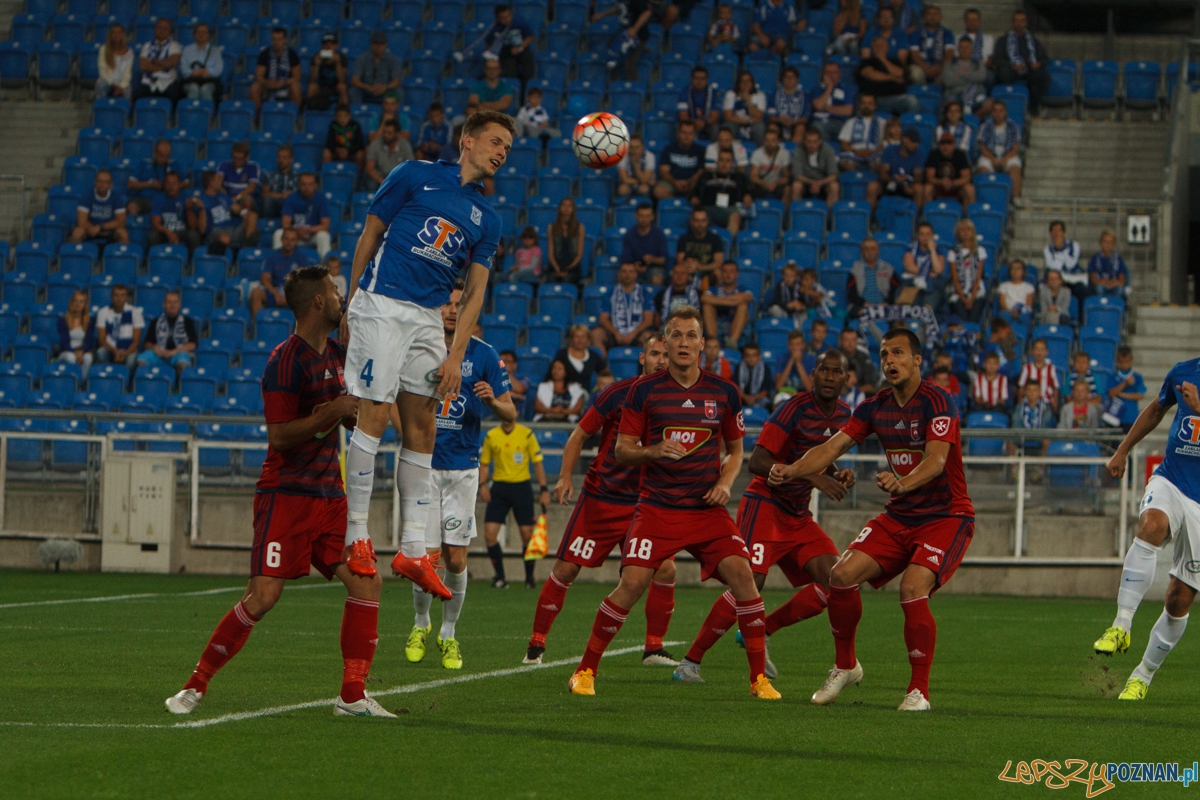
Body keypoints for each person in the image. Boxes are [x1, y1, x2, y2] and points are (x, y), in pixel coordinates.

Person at [164, 266, 392, 718]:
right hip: (285, 496)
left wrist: (348, 415)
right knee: (263, 597)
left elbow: (340, 412)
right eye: (333, 290)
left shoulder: (338, 353)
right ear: (318, 303)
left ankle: (352, 695)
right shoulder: (284, 362)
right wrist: (331, 412)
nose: (340, 295)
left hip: (330, 496)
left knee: (368, 581)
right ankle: (195, 684)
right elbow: (281, 437)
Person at [567, 306, 780, 700]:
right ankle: (585, 670)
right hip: (657, 508)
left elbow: (736, 451)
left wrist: (726, 481)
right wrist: (652, 450)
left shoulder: (724, 393)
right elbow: (622, 451)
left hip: (706, 510)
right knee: (630, 585)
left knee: (745, 578)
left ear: (703, 344)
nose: (683, 342)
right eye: (676, 336)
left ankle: (758, 681)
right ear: (665, 343)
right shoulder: (643, 391)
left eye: (691, 335)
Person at [341, 110, 513, 587]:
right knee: (374, 413)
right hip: (383, 304)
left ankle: (413, 548)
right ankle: (356, 535)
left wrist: (456, 353)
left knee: (423, 428)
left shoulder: (489, 218)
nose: (501, 153)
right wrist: (351, 303)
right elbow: (371, 233)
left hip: (427, 318)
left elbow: (475, 292)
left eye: (507, 149)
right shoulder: (414, 174)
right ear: (467, 141)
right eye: (496, 142)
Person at [770, 328, 973, 710]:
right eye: (884, 355)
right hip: (900, 515)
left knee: (912, 589)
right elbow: (832, 447)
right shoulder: (874, 406)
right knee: (841, 576)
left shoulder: (938, 401)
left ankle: (919, 692)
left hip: (946, 516)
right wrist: (793, 470)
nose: (889, 361)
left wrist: (902, 482)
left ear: (917, 360)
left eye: (898, 353)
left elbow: (936, 462)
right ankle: (845, 665)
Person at [676, 350, 855, 682]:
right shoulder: (793, 408)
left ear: (847, 379)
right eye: (824, 371)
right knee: (751, 581)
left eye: (837, 372)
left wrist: (836, 472)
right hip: (766, 506)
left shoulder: (846, 414)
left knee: (837, 581)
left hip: (797, 513)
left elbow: (818, 455)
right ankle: (690, 662)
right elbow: (758, 461)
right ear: (813, 375)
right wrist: (814, 477)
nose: (830, 377)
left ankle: (767, 627)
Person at [533, 335, 679, 663]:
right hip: (602, 498)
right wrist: (565, 477)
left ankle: (653, 647)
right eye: (655, 353)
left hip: (644, 504)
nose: (661, 360)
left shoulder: (676, 403)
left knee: (666, 570)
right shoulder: (616, 393)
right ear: (642, 358)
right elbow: (580, 434)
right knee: (567, 569)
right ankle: (536, 643)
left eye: (666, 356)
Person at [398, 280, 515, 670]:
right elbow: (396, 396)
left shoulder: (482, 355)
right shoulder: (420, 348)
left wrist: (493, 402)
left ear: (469, 309)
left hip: (462, 472)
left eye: (458, 304)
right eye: (446, 303)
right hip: (425, 467)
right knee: (424, 557)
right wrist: (408, 433)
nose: (451, 310)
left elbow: (511, 413)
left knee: (457, 558)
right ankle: (420, 624)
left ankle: (449, 633)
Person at [1094, 359, 1200, 701]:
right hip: (1173, 479)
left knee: (1179, 598)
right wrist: (1122, 450)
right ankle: (1121, 625)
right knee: (1151, 525)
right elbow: (1156, 410)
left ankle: (1142, 676)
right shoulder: (1183, 372)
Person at [479, 416, 549, 588]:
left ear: (515, 412)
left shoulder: (526, 434)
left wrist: (544, 490)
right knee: (489, 535)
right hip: (499, 488)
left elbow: (538, 463)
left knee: (526, 535)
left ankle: (529, 578)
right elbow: (485, 463)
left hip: (521, 488)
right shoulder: (491, 435)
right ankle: (501, 577)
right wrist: (482, 485)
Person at [993, 10, 1050, 114]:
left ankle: (1032, 107)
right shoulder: (1003, 40)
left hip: (1029, 71)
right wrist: (1012, 66)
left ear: (1026, 23)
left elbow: (1045, 59)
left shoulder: (1034, 41)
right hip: (1011, 71)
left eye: (1022, 21)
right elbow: (997, 59)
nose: (1019, 23)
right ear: (1012, 22)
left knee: (1043, 77)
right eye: (1016, 21)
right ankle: (1007, 105)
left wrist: (1038, 64)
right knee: (1002, 73)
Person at [594, 262, 657, 352]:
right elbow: (603, 319)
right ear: (619, 274)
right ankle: (602, 365)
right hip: (615, 333)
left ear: (636, 274)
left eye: (631, 271)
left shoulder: (644, 293)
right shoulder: (610, 293)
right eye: (624, 271)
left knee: (649, 338)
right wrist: (616, 333)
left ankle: (647, 365)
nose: (627, 274)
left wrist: (632, 334)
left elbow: (648, 320)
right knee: (597, 334)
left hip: (637, 333)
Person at [253, 227, 317, 314]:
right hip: (276, 291)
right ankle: (260, 325)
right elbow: (265, 279)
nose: (289, 243)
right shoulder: (272, 256)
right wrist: (276, 294)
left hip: (294, 293)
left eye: (292, 240)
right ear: (281, 239)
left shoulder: (302, 258)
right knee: (256, 293)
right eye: (286, 239)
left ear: (297, 241)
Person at [189, 170, 251, 256]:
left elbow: (236, 208)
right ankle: (232, 262)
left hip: (231, 228)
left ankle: (246, 250)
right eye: (218, 179)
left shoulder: (223, 196)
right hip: (215, 231)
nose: (221, 181)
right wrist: (202, 210)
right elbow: (202, 229)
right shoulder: (202, 200)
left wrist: (244, 212)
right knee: (225, 239)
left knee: (252, 216)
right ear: (211, 183)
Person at [136, 289, 197, 376]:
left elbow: (192, 344)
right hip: (159, 354)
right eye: (169, 302)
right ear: (164, 304)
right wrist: (156, 348)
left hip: (178, 353)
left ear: (179, 304)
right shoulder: (155, 321)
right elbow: (147, 344)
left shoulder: (188, 322)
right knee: (142, 359)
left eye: (175, 302)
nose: (172, 305)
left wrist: (174, 351)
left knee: (183, 362)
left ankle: (178, 386)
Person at [692, 149, 752, 237]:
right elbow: (694, 191)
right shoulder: (707, 176)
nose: (724, 164)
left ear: (732, 163)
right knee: (697, 216)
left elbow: (749, 190)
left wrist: (748, 195)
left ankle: (727, 245)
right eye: (721, 160)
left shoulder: (739, 178)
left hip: (729, 209)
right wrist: (693, 197)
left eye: (728, 161)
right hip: (708, 209)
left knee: (735, 216)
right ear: (717, 162)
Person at [856, 37, 920, 117]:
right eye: (876, 46)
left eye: (881, 46)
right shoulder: (867, 62)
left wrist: (883, 59)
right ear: (872, 48)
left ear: (887, 48)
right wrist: (892, 77)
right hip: (875, 98)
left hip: (896, 97)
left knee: (912, 101)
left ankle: (909, 128)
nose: (879, 48)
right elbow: (870, 74)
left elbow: (900, 73)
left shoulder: (895, 61)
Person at [274, 172, 332, 256]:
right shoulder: (292, 198)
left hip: (312, 235)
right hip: (295, 236)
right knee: (278, 233)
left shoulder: (321, 199)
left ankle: (324, 267)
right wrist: (297, 231)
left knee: (324, 236)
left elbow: (325, 226)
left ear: (315, 185)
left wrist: (307, 230)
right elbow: (285, 224)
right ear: (299, 185)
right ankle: (278, 263)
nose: (307, 187)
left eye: (310, 184)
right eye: (303, 184)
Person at [702, 260, 754, 347]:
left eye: (731, 271)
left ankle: (732, 341)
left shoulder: (743, 289)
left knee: (743, 306)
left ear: (737, 274)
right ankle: (713, 342)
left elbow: (748, 297)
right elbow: (704, 298)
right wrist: (733, 302)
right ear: (721, 274)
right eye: (725, 271)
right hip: (718, 325)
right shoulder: (713, 289)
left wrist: (717, 300)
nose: (728, 274)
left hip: (736, 326)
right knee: (707, 306)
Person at [976, 100, 1022, 198]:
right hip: (990, 156)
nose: (998, 114)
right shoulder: (985, 126)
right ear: (992, 112)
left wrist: (1005, 159)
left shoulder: (1013, 126)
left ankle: (1016, 198)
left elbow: (1015, 147)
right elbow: (983, 147)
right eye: (995, 111)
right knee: (983, 169)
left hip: (1008, 156)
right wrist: (993, 159)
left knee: (1015, 169)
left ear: (1005, 112)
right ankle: (986, 197)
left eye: (1001, 111)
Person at [70, 169, 128, 244]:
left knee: (123, 234)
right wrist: (94, 229)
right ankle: (75, 255)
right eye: (99, 181)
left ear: (111, 185)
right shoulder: (86, 196)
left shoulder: (116, 197)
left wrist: (101, 227)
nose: (102, 184)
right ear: (95, 182)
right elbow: (82, 221)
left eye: (105, 182)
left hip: (108, 231)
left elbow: (121, 221)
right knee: (77, 233)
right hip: (90, 230)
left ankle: (122, 255)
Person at [847, 236, 899, 319]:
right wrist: (863, 303)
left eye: (872, 248)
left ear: (877, 251)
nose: (869, 252)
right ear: (862, 251)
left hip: (884, 305)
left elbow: (896, 289)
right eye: (866, 249)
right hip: (862, 305)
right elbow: (851, 294)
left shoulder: (888, 269)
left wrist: (887, 302)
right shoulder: (855, 271)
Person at [133, 18, 182, 106]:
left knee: (175, 94)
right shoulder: (147, 46)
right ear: (155, 29)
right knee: (137, 95)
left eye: (165, 28)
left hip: (168, 81)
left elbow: (172, 62)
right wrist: (164, 64)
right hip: (148, 81)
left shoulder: (175, 46)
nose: (162, 31)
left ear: (169, 31)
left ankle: (171, 118)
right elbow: (143, 66)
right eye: (159, 27)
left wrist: (153, 62)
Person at [947, 218, 988, 323]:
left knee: (973, 320)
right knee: (963, 319)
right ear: (958, 233)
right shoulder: (953, 252)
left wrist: (972, 297)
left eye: (968, 229)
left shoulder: (980, 251)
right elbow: (955, 278)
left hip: (976, 291)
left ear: (973, 232)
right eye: (962, 230)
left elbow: (979, 276)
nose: (965, 232)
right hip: (959, 292)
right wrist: (964, 298)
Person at [250, 27, 301, 111]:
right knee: (255, 87)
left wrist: (282, 83)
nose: (276, 42)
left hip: (285, 84)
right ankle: (258, 117)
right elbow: (259, 76)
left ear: (285, 40)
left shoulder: (292, 55)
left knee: (295, 87)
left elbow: (297, 77)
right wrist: (267, 83)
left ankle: (295, 115)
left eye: (279, 39)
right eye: (274, 39)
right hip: (268, 85)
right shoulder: (264, 54)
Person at [95, 284, 143, 369]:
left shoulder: (135, 312)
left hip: (128, 349)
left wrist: (125, 353)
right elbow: (102, 340)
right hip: (110, 349)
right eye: (116, 295)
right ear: (111, 297)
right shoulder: (102, 312)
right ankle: (107, 374)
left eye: (122, 295)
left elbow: (136, 341)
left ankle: (126, 380)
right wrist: (115, 351)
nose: (119, 298)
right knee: (100, 352)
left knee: (132, 359)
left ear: (127, 297)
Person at [149, 171, 200, 252]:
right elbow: (155, 223)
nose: (171, 186)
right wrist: (168, 232)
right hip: (165, 231)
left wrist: (189, 210)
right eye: (168, 183)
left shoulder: (186, 198)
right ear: (164, 185)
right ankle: (154, 260)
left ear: (179, 185)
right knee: (153, 236)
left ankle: (191, 263)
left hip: (182, 231)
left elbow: (193, 227)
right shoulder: (158, 199)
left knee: (193, 235)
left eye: (174, 183)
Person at [655, 120, 706, 201]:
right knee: (659, 191)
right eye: (684, 132)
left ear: (694, 135)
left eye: (690, 133)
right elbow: (663, 171)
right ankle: (676, 204)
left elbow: (700, 171)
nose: (687, 136)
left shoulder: (700, 151)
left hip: (692, 184)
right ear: (678, 133)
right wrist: (675, 182)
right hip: (671, 182)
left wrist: (690, 181)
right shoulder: (669, 149)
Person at [618, 203, 668, 284]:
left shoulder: (659, 234)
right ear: (636, 216)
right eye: (641, 216)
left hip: (654, 268)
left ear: (652, 217)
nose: (644, 219)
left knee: (657, 279)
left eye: (647, 216)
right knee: (622, 276)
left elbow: (664, 260)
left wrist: (652, 259)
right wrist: (634, 266)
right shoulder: (629, 235)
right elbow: (626, 259)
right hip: (634, 269)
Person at [923, 132, 975, 209]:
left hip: (956, 187)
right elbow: (929, 177)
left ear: (954, 145)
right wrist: (941, 182)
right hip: (939, 186)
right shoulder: (934, 154)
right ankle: (929, 216)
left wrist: (953, 183)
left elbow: (967, 177)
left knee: (969, 189)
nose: (946, 146)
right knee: (927, 188)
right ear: (939, 145)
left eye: (949, 143)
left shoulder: (960, 155)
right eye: (943, 143)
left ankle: (966, 218)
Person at [875, 127, 925, 207]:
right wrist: (894, 179)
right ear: (905, 140)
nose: (915, 145)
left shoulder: (918, 154)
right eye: (913, 142)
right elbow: (883, 174)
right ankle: (872, 216)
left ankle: (915, 217)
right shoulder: (890, 150)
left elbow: (918, 177)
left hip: (908, 186)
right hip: (890, 184)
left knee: (918, 189)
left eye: (917, 142)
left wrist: (907, 185)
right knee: (873, 186)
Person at [217, 142, 261, 232]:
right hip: (228, 198)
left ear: (246, 157)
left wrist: (237, 197)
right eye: (234, 158)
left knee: (247, 201)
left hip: (243, 197)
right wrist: (225, 195)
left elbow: (251, 187)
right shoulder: (224, 165)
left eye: (239, 159)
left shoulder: (253, 167)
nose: (236, 161)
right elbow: (217, 184)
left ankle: (245, 230)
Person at [902, 221, 946, 310]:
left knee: (931, 296)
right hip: (913, 283)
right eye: (922, 234)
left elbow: (938, 270)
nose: (925, 237)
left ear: (932, 235)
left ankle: (927, 314)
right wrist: (927, 272)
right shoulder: (911, 248)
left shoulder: (938, 250)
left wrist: (932, 251)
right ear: (917, 235)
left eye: (928, 234)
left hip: (932, 284)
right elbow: (909, 267)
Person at [838, 95, 888, 172]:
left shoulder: (883, 123)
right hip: (855, 153)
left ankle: (870, 178)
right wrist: (857, 152)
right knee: (844, 162)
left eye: (870, 103)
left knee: (882, 162)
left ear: (875, 106)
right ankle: (857, 177)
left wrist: (871, 151)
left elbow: (886, 143)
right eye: (863, 103)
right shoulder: (851, 122)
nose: (866, 106)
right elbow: (844, 144)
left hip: (874, 153)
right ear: (860, 105)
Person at [351, 30, 402, 105]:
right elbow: (354, 80)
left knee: (398, 91)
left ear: (385, 45)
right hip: (367, 89)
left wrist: (385, 87)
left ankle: (396, 115)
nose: (378, 46)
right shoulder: (362, 58)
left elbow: (397, 81)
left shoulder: (393, 59)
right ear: (371, 44)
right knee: (353, 91)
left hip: (385, 89)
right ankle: (357, 112)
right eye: (375, 43)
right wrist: (368, 87)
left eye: (381, 44)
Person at [942, 36, 990, 115]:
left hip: (976, 94)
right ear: (958, 49)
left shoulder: (979, 63)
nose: (964, 49)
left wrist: (960, 74)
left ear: (972, 49)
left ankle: (973, 120)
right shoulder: (949, 64)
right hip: (955, 94)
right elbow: (948, 81)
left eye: (967, 47)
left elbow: (981, 77)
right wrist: (972, 77)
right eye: (962, 47)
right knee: (949, 103)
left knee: (989, 104)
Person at [907, 4, 955, 84]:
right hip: (922, 67)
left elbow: (949, 54)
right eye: (929, 14)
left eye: (935, 14)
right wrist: (925, 68)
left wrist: (939, 68)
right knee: (913, 71)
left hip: (940, 67)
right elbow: (914, 54)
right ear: (925, 16)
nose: (932, 17)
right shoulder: (916, 32)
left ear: (940, 16)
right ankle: (921, 93)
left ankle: (938, 95)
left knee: (948, 71)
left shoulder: (947, 33)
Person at [675, 207, 724, 284]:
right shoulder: (684, 238)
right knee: (679, 271)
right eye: (697, 221)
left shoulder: (715, 239)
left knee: (718, 272)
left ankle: (717, 295)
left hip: (708, 271)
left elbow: (718, 262)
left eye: (703, 221)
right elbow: (679, 260)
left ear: (707, 222)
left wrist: (700, 267)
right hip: (689, 270)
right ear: (691, 221)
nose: (700, 224)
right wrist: (689, 265)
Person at [791, 126, 841, 203]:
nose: (811, 145)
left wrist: (819, 183)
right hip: (806, 182)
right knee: (796, 186)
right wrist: (812, 182)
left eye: (815, 142)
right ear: (804, 141)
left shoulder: (828, 150)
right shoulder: (798, 150)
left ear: (820, 141)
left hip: (824, 182)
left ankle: (830, 214)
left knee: (834, 186)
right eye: (809, 141)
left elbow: (833, 175)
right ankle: (797, 212)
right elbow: (797, 174)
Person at [1045, 219, 1088, 306]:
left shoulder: (1074, 245)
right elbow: (1054, 267)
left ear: (1064, 232)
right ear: (1050, 233)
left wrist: (1061, 250)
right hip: (1059, 280)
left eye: (1059, 230)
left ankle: (1080, 318)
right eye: (1053, 231)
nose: (1056, 233)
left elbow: (1070, 265)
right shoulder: (1047, 249)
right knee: (1046, 288)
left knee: (1081, 290)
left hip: (1074, 278)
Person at [1102, 347, 1145, 430]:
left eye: (1127, 361)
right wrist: (1124, 383)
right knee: (1115, 442)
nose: (1125, 365)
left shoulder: (1137, 377)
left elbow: (1140, 395)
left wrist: (1121, 394)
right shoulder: (1113, 376)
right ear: (1118, 361)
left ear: (1131, 360)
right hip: (1115, 416)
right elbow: (1111, 393)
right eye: (1122, 362)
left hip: (1131, 417)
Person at [810, 62, 855, 141]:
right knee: (816, 130)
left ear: (839, 74)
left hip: (839, 123)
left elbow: (848, 110)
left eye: (834, 72)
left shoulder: (845, 90)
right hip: (820, 122)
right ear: (824, 74)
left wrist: (826, 108)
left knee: (848, 131)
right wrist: (829, 88)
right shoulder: (817, 89)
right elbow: (818, 106)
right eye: (828, 73)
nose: (831, 75)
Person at [179, 22, 223, 102]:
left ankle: (208, 112)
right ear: (194, 34)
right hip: (191, 81)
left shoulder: (215, 51)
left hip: (210, 81)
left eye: (204, 32)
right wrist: (194, 73)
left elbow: (218, 69)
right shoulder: (187, 50)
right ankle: (191, 112)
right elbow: (184, 69)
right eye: (198, 32)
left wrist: (207, 72)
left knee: (205, 89)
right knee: (193, 88)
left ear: (208, 35)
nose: (201, 34)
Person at [56, 290, 96, 373]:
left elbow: (89, 341)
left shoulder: (90, 320)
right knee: (71, 358)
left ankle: (82, 382)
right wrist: (75, 352)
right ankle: (73, 380)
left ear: (85, 304)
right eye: (76, 301)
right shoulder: (63, 320)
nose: (78, 304)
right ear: (71, 302)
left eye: (81, 301)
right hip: (67, 351)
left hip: (84, 351)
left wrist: (82, 352)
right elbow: (65, 342)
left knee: (88, 358)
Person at [305, 32, 348, 111]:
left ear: (336, 46)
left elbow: (342, 80)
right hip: (321, 86)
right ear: (322, 46)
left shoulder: (341, 58)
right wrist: (317, 65)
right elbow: (312, 80)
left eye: (331, 44)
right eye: (326, 44)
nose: (328, 47)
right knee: (312, 87)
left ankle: (344, 112)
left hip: (335, 87)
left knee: (342, 87)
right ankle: (309, 113)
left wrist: (337, 63)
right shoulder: (316, 57)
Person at [547, 197, 585, 285]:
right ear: (560, 208)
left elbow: (579, 254)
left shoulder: (580, 227)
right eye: (564, 205)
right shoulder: (551, 227)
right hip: (555, 267)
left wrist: (567, 270)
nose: (566, 208)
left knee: (567, 280)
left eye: (569, 206)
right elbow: (551, 253)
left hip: (573, 268)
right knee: (551, 279)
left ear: (573, 209)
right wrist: (557, 268)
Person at [534, 359, 587, 423]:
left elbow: (577, 409)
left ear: (566, 371)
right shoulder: (543, 386)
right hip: (546, 419)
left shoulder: (576, 388)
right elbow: (538, 407)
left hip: (568, 421)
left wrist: (562, 411)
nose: (556, 371)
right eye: (554, 368)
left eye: (559, 368)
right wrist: (552, 410)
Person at [555, 324, 606, 390]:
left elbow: (605, 373)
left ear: (587, 339)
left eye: (583, 337)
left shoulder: (593, 356)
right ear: (571, 338)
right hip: (564, 393)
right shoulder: (562, 354)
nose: (580, 340)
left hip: (585, 395)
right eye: (577, 336)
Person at [676, 68, 721, 142]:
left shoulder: (714, 93)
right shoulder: (684, 92)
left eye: (702, 79)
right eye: (697, 78)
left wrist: (704, 122)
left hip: (707, 123)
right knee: (680, 127)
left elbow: (715, 116)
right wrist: (694, 122)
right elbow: (683, 115)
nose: (699, 81)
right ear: (692, 79)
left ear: (707, 80)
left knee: (715, 128)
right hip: (690, 122)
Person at [723, 70, 768, 144]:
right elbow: (728, 116)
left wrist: (748, 101)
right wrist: (747, 121)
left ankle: (760, 153)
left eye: (748, 81)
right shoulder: (731, 94)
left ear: (752, 82)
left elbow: (759, 116)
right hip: (736, 123)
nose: (745, 84)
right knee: (727, 126)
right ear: (738, 83)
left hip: (754, 124)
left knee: (760, 127)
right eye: (742, 81)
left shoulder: (760, 95)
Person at [749, 127, 791, 202]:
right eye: (767, 140)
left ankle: (784, 212)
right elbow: (753, 176)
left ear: (778, 142)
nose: (770, 143)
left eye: (773, 140)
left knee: (787, 189)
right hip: (762, 183)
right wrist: (765, 184)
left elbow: (787, 177)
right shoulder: (757, 153)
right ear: (763, 141)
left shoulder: (784, 154)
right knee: (752, 188)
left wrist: (776, 183)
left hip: (777, 183)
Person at [260, 145, 302, 220]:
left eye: (284, 158)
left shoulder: (298, 177)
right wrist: (282, 195)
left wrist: (291, 196)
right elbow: (265, 194)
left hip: (291, 206)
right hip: (274, 206)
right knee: (267, 200)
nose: (281, 160)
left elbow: (302, 195)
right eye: (279, 157)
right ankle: (267, 225)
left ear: (291, 159)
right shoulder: (269, 176)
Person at [769, 67, 807, 142]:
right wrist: (781, 120)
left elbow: (806, 118)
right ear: (783, 79)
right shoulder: (774, 95)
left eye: (792, 77)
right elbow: (771, 117)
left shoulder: (805, 96)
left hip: (796, 123)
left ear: (797, 79)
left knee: (800, 128)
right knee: (772, 127)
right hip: (779, 123)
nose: (789, 80)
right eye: (787, 77)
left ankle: (794, 152)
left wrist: (793, 121)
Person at [323, 103, 366, 170]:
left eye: (345, 116)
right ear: (335, 117)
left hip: (351, 151)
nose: (342, 119)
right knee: (326, 152)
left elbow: (360, 144)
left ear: (350, 116)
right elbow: (329, 142)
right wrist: (338, 150)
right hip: (337, 151)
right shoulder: (333, 125)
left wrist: (348, 150)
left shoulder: (355, 126)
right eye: (339, 116)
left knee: (360, 154)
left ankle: (358, 176)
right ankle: (327, 172)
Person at [1018, 338, 1059, 407]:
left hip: (1046, 402)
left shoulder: (1051, 368)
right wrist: (1019, 404)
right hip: (1029, 402)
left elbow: (1055, 389)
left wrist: (1055, 406)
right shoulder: (1027, 368)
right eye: (1037, 349)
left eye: (1042, 349)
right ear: (1032, 351)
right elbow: (1021, 388)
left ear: (1046, 352)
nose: (1039, 352)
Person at [96, 23, 133, 98]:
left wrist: (121, 86)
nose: (116, 35)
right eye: (114, 32)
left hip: (122, 83)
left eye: (119, 32)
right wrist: (114, 85)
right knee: (101, 85)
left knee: (128, 90)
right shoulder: (103, 49)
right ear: (110, 35)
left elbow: (127, 73)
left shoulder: (129, 52)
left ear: (123, 35)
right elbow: (103, 72)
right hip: (107, 81)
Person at [1088, 229, 1129, 297]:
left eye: (1110, 242)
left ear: (1114, 245)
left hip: (1114, 285)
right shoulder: (1095, 259)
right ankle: (1101, 306)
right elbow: (1094, 280)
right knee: (1099, 288)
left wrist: (1111, 283)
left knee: (1120, 289)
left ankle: (1114, 307)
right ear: (1100, 243)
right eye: (1105, 241)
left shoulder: (1118, 259)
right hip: (1100, 285)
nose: (1107, 244)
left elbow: (1122, 281)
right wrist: (1105, 282)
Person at [838, 327, 878, 394]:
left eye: (853, 340)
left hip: (860, 396)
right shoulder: (833, 357)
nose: (850, 343)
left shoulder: (864, 358)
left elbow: (871, 386)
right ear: (840, 341)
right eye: (847, 340)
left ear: (857, 342)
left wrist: (853, 394)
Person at [774, 329, 812, 397]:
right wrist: (791, 361)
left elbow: (809, 388)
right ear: (788, 346)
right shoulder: (781, 358)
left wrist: (798, 363)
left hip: (804, 395)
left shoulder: (811, 359)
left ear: (803, 345)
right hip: (786, 394)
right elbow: (778, 386)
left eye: (798, 344)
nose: (795, 348)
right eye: (792, 344)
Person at [735, 342, 773, 408]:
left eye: (754, 355)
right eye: (748, 355)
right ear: (744, 356)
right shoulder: (739, 368)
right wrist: (745, 397)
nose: (751, 358)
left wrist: (754, 398)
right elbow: (735, 387)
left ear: (759, 357)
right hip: (742, 398)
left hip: (759, 398)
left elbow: (765, 391)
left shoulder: (765, 369)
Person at [617, 135, 656, 199]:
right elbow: (625, 179)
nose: (634, 150)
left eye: (637, 147)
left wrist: (635, 164)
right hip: (629, 184)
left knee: (643, 188)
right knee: (623, 189)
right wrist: (645, 181)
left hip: (645, 185)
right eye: (631, 147)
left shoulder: (650, 156)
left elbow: (644, 180)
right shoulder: (623, 156)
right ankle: (623, 208)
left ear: (642, 147)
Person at [996, 259, 1034, 324]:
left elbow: (1029, 305)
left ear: (1023, 271)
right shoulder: (1003, 286)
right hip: (1007, 311)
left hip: (1023, 311)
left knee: (1025, 316)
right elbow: (1002, 303)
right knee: (1005, 316)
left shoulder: (1029, 287)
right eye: (1013, 268)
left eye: (1018, 269)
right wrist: (1011, 311)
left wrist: (1019, 311)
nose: (1015, 271)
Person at [500, 349, 533, 415]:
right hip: (494, 417)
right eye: (501, 362)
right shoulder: (492, 377)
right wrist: (515, 395)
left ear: (514, 364)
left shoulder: (523, 379)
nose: (503, 364)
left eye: (507, 361)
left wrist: (505, 374)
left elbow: (520, 389)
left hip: (518, 418)